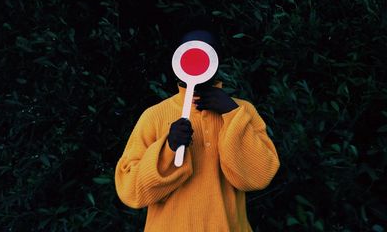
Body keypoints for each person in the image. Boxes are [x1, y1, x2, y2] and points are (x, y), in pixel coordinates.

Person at [114, 22, 280, 231]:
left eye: (207, 51)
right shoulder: (154, 116)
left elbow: (259, 177)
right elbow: (130, 191)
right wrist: (168, 149)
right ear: (178, 59)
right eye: (190, 50)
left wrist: (232, 112)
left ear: (217, 60)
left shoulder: (243, 111)